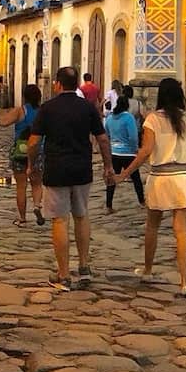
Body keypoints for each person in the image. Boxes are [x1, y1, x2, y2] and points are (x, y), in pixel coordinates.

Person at [27, 66, 114, 291]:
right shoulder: (87, 108)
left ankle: (64, 274)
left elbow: (34, 142)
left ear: (57, 84)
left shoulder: (47, 109)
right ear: (77, 85)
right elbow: (103, 139)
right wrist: (108, 166)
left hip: (56, 170)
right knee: (82, 216)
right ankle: (84, 266)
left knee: (60, 220)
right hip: (82, 169)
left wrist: (31, 165)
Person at [115, 77, 186, 297]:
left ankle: (147, 270)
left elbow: (145, 151)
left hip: (161, 177)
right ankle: (184, 282)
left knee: (152, 226)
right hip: (184, 177)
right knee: (182, 231)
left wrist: (125, 173)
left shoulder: (152, 120)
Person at [1, 84, 45, 226]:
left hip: (20, 152)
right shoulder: (43, 112)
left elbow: (3, 122)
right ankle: (37, 205)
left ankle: (22, 218)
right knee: (37, 183)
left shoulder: (20, 111)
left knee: (21, 186)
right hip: (38, 150)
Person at [105, 94, 144, 212]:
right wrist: (135, 149)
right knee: (136, 178)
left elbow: (106, 133)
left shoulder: (110, 118)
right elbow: (132, 136)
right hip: (128, 153)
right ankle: (142, 201)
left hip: (114, 152)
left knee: (112, 180)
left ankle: (109, 205)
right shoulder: (128, 118)